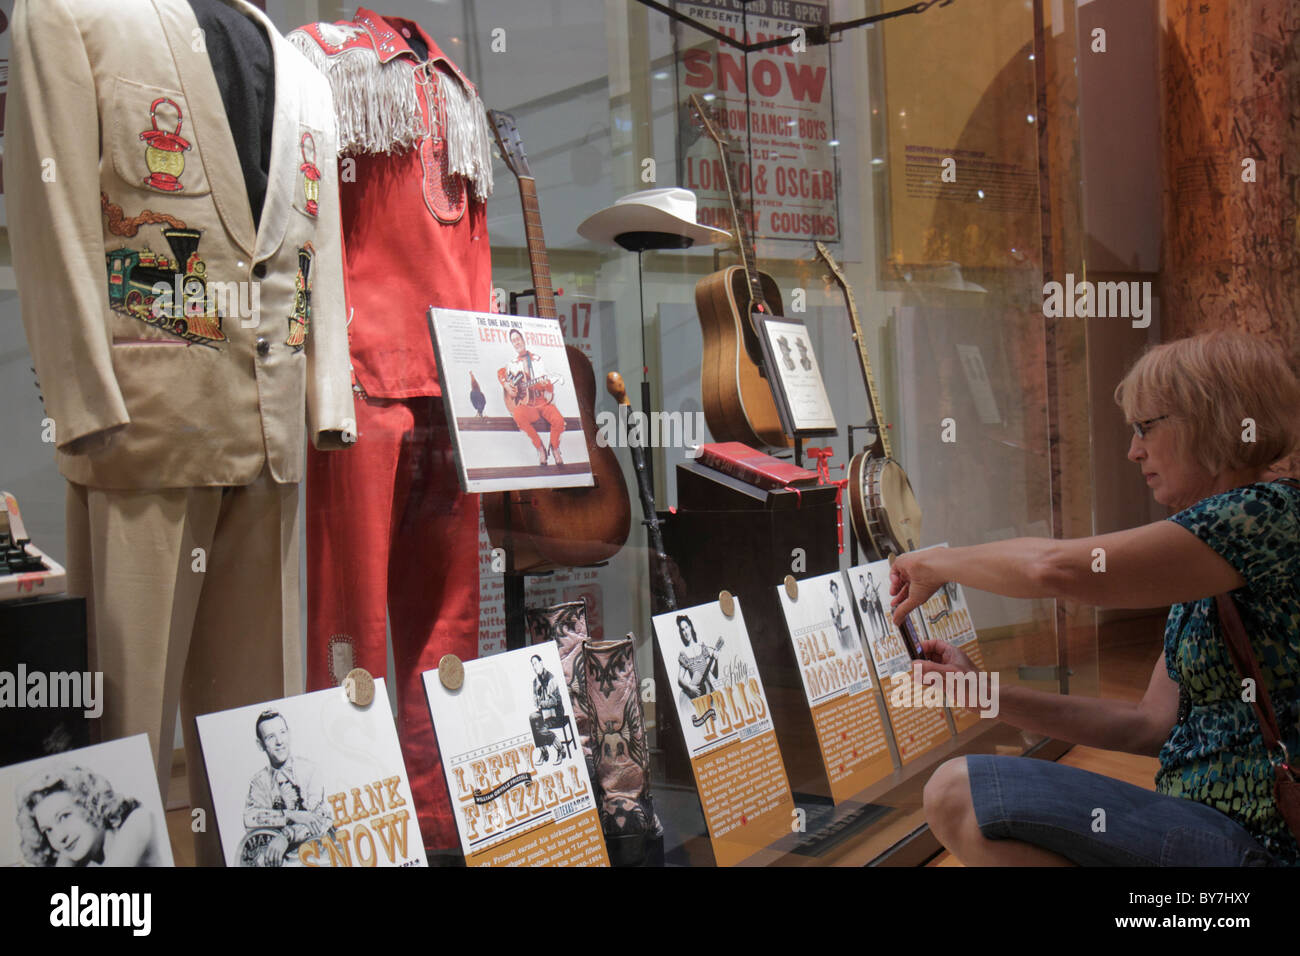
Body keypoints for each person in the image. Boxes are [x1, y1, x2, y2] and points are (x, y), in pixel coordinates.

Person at [891, 332, 1300, 866]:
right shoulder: (1203, 557)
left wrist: (934, 563)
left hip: (1259, 847)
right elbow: (1147, 726)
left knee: (958, 789)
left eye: (1145, 428)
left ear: (1210, 418)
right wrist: (984, 693)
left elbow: (1054, 568)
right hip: (1201, 829)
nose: (1134, 451)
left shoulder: (1270, 514)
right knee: (966, 803)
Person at [16, 765, 161, 867]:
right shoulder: (95, 854)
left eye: (64, 816)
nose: (60, 837)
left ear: (91, 803)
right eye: (48, 830)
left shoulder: (138, 822)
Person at [242, 710, 333, 866]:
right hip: (279, 860)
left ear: (289, 734)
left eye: (282, 733)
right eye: (271, 737)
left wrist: (286, 835)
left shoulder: (310, 770)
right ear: (260, 744)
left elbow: (318, 818)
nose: (279, 742)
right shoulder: (258, 782)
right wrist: (291, 815)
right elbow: (250, 818)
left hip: (318, 854)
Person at [500, 328, 566, 466]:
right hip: (528, 406)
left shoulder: (537, 359)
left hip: (542, 402)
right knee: (518, 415)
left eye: (518, 339)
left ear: (523, 340)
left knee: (558, 420)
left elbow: (548, 386)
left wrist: (544, 385)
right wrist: (506, 385)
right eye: (513, 341)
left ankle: (554, 448)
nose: (517, 342)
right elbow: (500, 373)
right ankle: (539, 447)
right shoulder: (512, 363)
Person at [528, 655, 569, 765]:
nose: (534, 666)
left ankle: (561, 749)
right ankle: (544, 752)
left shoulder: (551, 678)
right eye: (532, 664)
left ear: (541, 663)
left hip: (556, 713)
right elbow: (535, 701)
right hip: (545, 713)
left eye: (535, 663)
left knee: (540, 727)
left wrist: (542, 703)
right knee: (532, 718)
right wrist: (537, 700)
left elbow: (555, 701)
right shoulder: (535, 682)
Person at [676, 614, 721, 708]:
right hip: (699, 697)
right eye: (682, 630)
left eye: (686, 627)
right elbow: (680, 679)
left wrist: (716, 660)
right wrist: (690, 687)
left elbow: (715, 674)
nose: (685, 632)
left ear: (690, 627)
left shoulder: (702, 647)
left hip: (710, 693)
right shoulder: (684, 655)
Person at [828, 579, 853, 650]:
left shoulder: (842, 599)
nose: (834, 592)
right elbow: (835, 620)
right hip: (842, 630)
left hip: (847, 627)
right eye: (833, 591)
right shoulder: (833, 604)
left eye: (835, 589)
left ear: (837, 589)